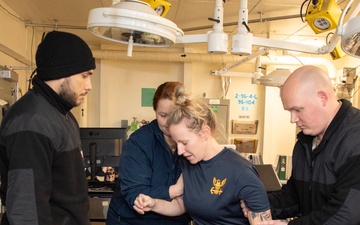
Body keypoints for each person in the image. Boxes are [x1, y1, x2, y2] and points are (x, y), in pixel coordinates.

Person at [133, 86, 272, 225]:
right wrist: (154, 204)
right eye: (177, 143)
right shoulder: (189, 162)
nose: (179, 151)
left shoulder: (241, 171)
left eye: (184, 142)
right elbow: (182, 204)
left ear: (205, 133)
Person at [0, 30, 96, 225]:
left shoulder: (62, 114)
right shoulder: (31, 122)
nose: (89, 86)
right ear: (62, 72)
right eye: (84, 76)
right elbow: (26, 211)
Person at [244, 65, 360, 225]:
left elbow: (347, 214)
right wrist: (258, 204)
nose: (293, 119)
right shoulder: (304, 143)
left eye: (298, 110)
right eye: (289, 111)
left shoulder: (355, 139)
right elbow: (295, 196)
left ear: (323, 98)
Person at [106, 82, 191, 225]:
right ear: (155, 111)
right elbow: (135, 194)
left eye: (174, 115)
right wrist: (174, 191)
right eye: (162, 115)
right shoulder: (139, 142)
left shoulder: (192, 142)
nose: (168, 122)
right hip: (133, 220)